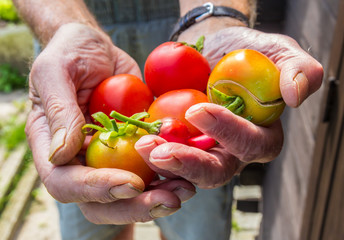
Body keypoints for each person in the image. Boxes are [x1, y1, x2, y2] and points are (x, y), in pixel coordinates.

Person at [13, 0, 324, 240]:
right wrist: (61, 27)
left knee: (192, 222)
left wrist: (213, 17)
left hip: (186, 17)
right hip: (74, 57)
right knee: (94, 216)